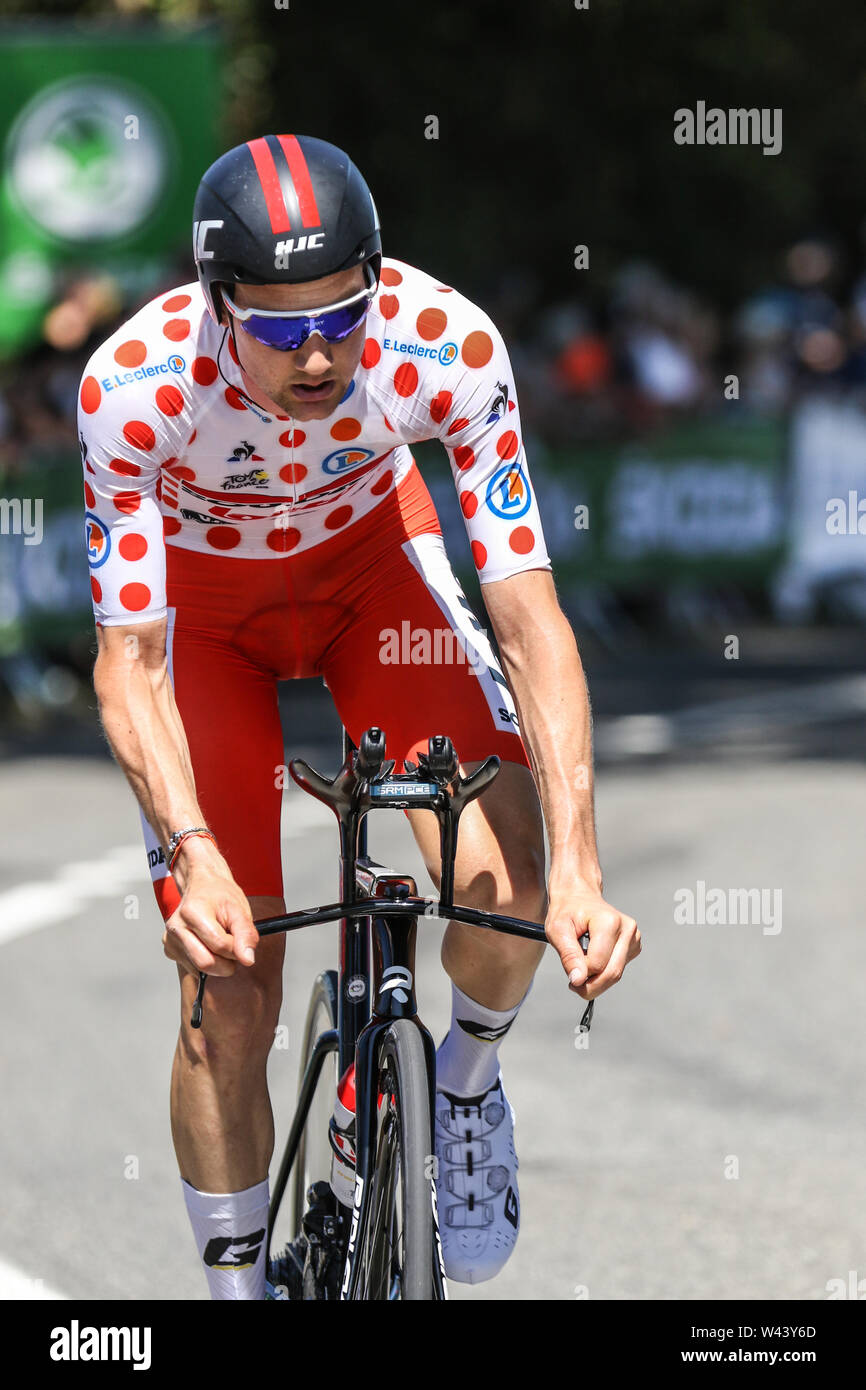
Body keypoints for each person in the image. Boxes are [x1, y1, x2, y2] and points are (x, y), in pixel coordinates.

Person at [78, 133, 641, 1298]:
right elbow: (129, 663)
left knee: (510, 886)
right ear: (213, 300)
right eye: (280, 330)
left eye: (343, 315)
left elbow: (529, 617)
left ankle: (467, 1097)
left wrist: (583, 865)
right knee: (228, 992)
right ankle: (236, 1288)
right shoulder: (132, 390)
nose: (321, 353)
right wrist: (192, 852)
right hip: (206, 617)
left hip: (373, 580)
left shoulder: (448, 345)